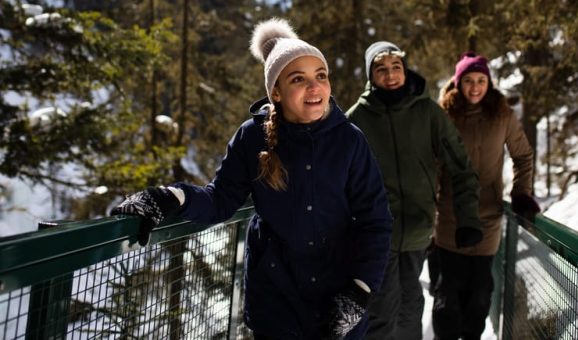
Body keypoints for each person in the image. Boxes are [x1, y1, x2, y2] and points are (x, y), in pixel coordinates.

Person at [110, 18, 393, 340]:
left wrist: (360, 290)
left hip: (338, 301)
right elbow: (220, 200)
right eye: (298, 79)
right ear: (276, 91)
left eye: (321, 76)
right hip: (276, 302)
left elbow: (375, 220)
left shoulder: (349, 140)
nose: (315, 88)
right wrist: (168, 197)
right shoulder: (252, 137)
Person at [346, 41, 483, 340]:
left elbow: (460, 165)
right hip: (376, 234)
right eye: (381, 69)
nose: (391, 74)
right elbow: (337, 178)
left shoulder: (429, 112)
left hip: (419, 230)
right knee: (382, 311)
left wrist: (468, 218)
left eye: (396, 67)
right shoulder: (357, 119)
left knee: (411, 306)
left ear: (405, 70)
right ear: (371, 76)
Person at [432, 51, 539, 340]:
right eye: (468, 80)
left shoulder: (502, 114)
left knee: (480, 294)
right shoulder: (444, 116)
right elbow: (432, 166)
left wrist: (521, 194)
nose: (475, 87)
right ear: (458, 83)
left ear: (489, 83)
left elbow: (523, 156)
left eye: (481, 80)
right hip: (449, 219)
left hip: (487, 218)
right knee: (447, 297)